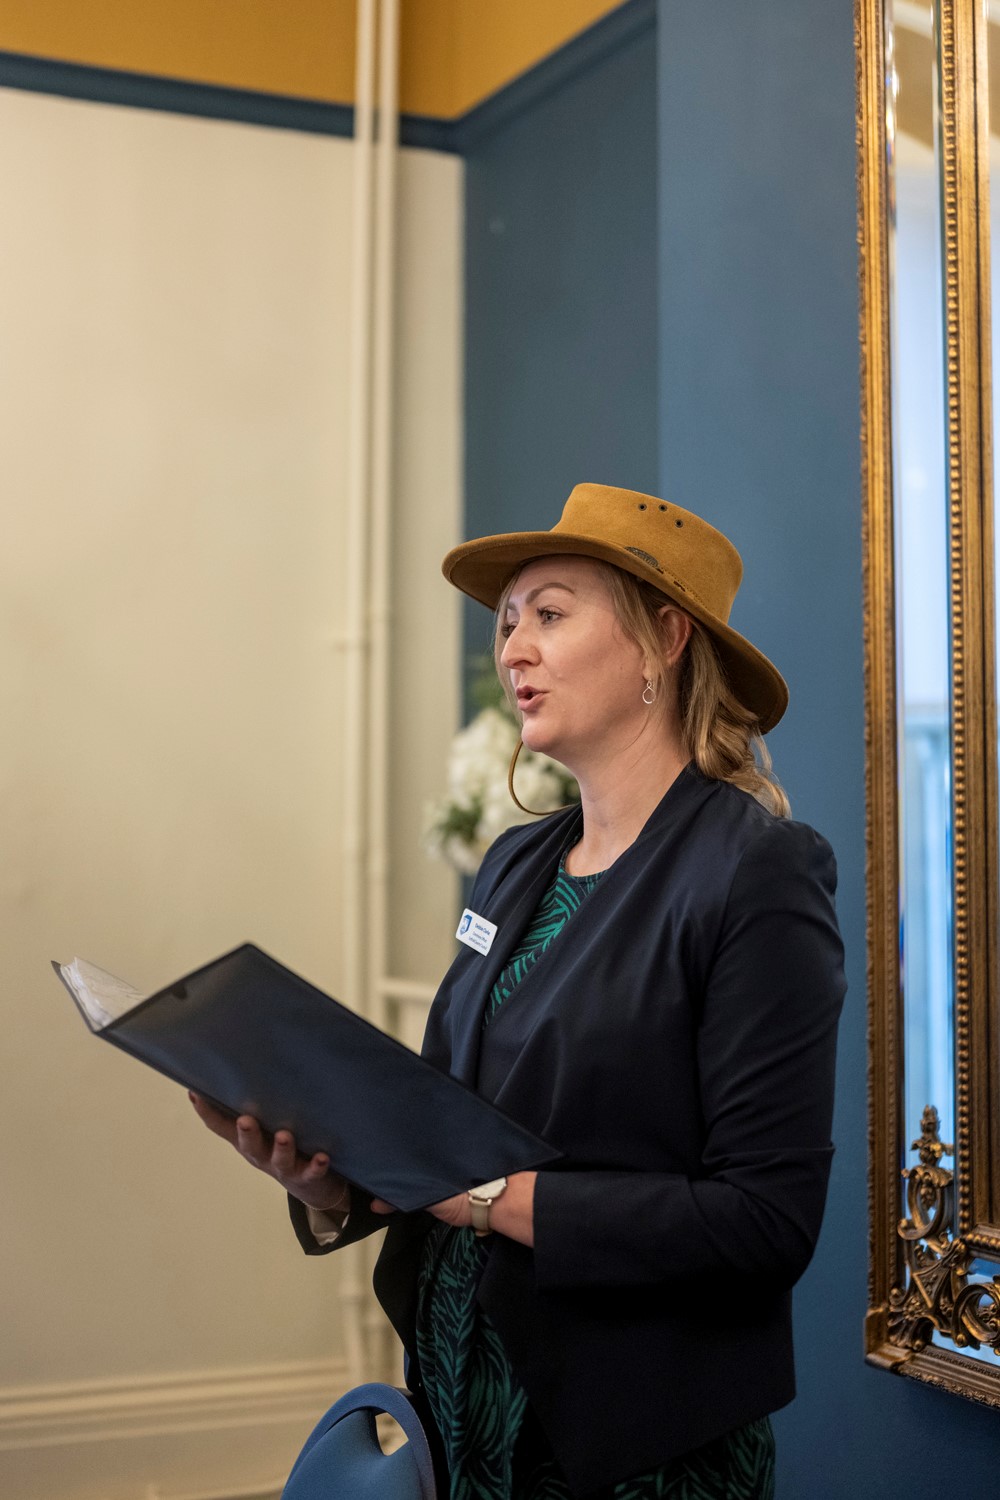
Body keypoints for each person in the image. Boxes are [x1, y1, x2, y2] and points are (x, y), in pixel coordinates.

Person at [191, 482, 846, 1500]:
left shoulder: (756, 871)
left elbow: (763, 1223)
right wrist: (334, 1186)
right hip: (458, 1408)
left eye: (548, 614)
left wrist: (487, 1200)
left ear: (662, 641)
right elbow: (448, 1126)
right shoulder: (512, 865)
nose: (512, 651)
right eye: (506, 623)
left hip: (631, 1444)